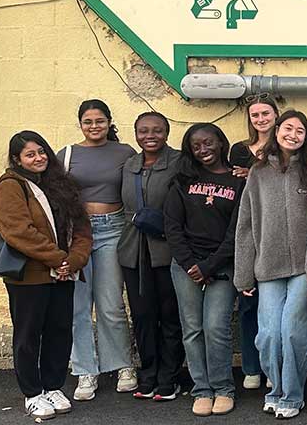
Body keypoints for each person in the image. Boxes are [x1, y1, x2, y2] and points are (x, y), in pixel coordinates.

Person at [235, 110, 307, 419]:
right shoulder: (259, 173)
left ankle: (292, 394)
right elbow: (246, 226)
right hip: (268, 267)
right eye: (288, 128)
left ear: (306, 136)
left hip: (304, 267)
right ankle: (274, 389)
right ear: (277, 132)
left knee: (293, 331)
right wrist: (243, 275)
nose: (293, 134)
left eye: (300, 130)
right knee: (270, 334)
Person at [0, 131, 91, 419]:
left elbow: (83, 230)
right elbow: (18, 231)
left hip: (63, 274)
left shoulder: (62, 185)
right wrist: (59, 258)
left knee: (59, 331)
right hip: (30, 276)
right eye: (30, 154)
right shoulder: (11, 186)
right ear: (17, 159)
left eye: (41, 152)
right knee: (28, 335)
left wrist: (73, 261)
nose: (38, 158)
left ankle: (53, 386)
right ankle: (33, 394)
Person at [57, 99, 138, 401]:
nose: (94, 126)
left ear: (109, 122)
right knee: (79, 306)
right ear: (80, 123)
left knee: (111, 304)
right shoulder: (66, 154)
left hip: (113, 230)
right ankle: (85, 371)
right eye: (88, 121)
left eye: (100, 121)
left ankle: (122, 366)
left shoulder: (125, 152)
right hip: (76, 233)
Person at [164, 123, 244, 416]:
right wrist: (190, 265)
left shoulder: (238, 181)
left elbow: (236, 232)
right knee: (193, 329)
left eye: (208, 143)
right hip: (185, 265)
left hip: (222, 265)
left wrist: (209, 265)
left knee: (216, 328)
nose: (203, 150)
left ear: (221, 143)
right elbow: (172, 226)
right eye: (196, 146)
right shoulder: (182, 179)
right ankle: (202, 389)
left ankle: (223, 388)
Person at [117, 112, 185, 401]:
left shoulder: (179, 161)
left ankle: (170, 377)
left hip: (167, 251)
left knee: (170, 316)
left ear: (167, 133)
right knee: (143, 316)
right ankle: (148, 374)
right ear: (135, 134)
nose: (150, 136)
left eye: (157, 130)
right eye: (143, 131)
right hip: (133, 251)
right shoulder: (129, 165)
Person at [228, 95, 279, 391]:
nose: (260, 119)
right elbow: (235, 187)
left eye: (265, 113)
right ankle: (251, 366)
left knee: (273, 309)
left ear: (276, 115)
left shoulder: (285, 145)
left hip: (275, 231)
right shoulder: (239, 150)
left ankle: (273, 365)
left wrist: (252, 176)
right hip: (246, 229)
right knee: (249, 304)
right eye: (255, 115)